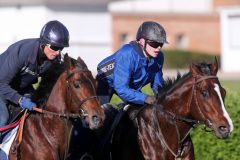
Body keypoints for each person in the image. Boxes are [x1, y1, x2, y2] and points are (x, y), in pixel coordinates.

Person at [0, 20, 69, 141]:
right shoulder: (22, 52)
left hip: (21, 87)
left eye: (61, 48)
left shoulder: (55, 59)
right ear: (44, 43)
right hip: (2, 85)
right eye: (54, 47)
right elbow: (1, 84)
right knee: (3, 118)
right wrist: (19, 100)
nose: (58, 52)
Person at [96, 21, 168, 106]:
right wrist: (145, 98)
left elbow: (158, 84)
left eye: (161, 44)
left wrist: (164, 98)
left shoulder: (159, 57)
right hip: (106, 83)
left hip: (129, 86)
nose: (158, 48)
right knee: (100, 115)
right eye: (154, 44)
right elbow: (121, 88)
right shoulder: (127, 53)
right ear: (141, 41)